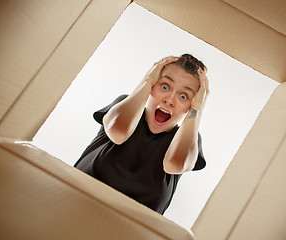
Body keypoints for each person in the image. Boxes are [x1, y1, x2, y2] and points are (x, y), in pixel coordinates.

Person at [74, 54, 210, 214]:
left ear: (191, 105)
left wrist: (197, 109)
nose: (170, 100)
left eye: (183, 96)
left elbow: (175, 164)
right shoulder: (123, 104)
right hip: (74, 203)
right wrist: (147, 81)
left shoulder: (189, 140)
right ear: (152, 85)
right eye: (165, 86)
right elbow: (118, 132)